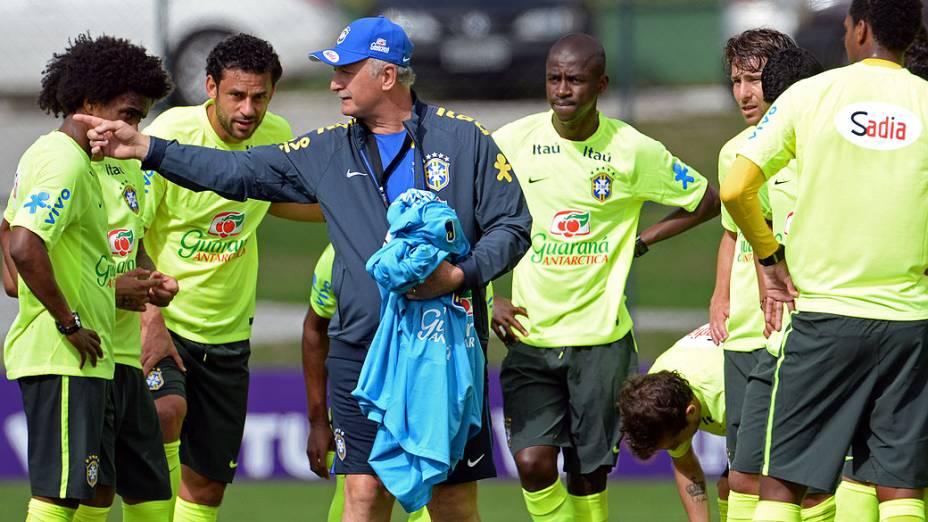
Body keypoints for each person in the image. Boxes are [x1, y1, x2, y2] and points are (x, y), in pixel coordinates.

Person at [79, 15, 532, 522]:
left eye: (346, 70)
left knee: (452, 503)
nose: (334, 81)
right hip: (361, 352)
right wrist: (148, 150)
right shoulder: (328, 149)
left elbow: (513, 227)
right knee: (362, 494)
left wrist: (459, 275)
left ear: (385, 76)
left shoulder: (465, 140)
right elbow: (240, 170)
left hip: (444, 352)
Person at [490, 33, 720, 522]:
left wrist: (644, 239)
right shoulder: (511, 142)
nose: (562, 90)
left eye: (575, 79)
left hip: (602, 341)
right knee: (532, 463)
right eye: (554, 78)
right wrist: (488, 294)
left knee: (588, 469)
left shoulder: (632, 150)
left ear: (601, 84)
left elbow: (706, 200)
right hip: (531, 336)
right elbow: (470, 217)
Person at [721, 0, 928, 520]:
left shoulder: (812, 95)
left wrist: (769, 260)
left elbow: (735, 187)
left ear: (860, 30)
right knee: (900, 488)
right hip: (911, 322)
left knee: (783, 484)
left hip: (825, 319)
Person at [134, 33, 317, 521]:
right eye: (236, 95)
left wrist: (356, 209)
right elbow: (130, 235)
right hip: (166, 324)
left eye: (259, 96)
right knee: (164, 414)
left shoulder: (276, 135)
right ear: (211, 87)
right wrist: (150, 318)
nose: (248, 109)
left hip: (230, 333)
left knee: (208, 486)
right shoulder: (170, 135)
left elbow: (283, 199)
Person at [3, 34, 172, 522]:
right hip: (64, 355)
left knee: (126, 491)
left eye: (138, 117)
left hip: (97, 354)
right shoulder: (63, 160)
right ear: (88, 103)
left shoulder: (95, 163)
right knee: (59, 497)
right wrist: (67, 320)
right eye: (125, 113)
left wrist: (139, 281)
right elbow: (22, 243)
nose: (131, 127)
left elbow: (13, 232)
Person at [708, 28, 796, 522]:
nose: (744, 93)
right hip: (746, 331)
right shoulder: (732, 151)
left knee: (797, 475)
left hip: (795, 325)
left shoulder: (807, 141)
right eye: (736, 80)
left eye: (755, 79)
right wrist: (720, 294)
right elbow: (732, 233)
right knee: (741, 473)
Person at [619, 325, 724, 522]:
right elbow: (684, 463)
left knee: (747, 484)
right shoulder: (659, 395)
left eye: (674, 444)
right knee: (730, 486)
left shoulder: (724, 394)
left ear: (690, 412)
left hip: (785, 375)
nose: (676, 449)